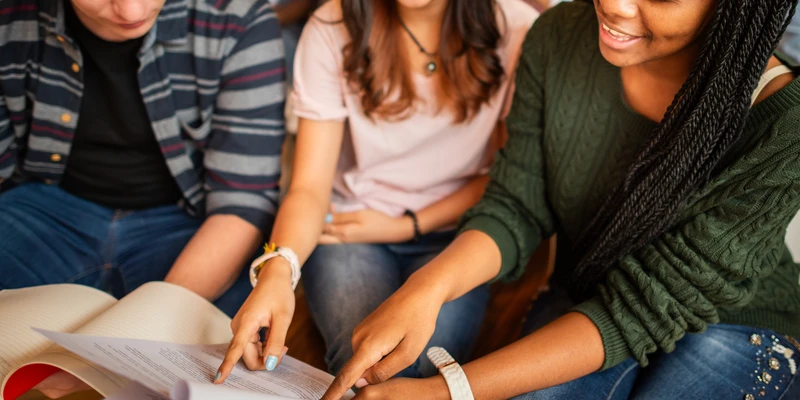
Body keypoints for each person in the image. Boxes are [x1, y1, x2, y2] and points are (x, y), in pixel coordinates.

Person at [318, 0, 800, 399]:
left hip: (730, 328)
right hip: (586, 299)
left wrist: (446, 391)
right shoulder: (558, 36)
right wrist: (427, 288)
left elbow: (644, 310)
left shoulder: (785, 120)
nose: (614, 5)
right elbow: (515, 206)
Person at [215, 0, 538, 383]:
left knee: (412, 371)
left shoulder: (519, 29)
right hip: (352, 231)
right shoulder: (331, 27)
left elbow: (508, 181)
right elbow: (308, 188)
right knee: (363, 367)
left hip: (463, 238)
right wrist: (278, 269)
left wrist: (404, 225)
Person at [0, 0, 285, 317]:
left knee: (243, 322)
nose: (132, 12)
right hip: (39, 209)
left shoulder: (237, 16)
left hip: (188, 223)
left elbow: (243, 200)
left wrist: (154, 319)